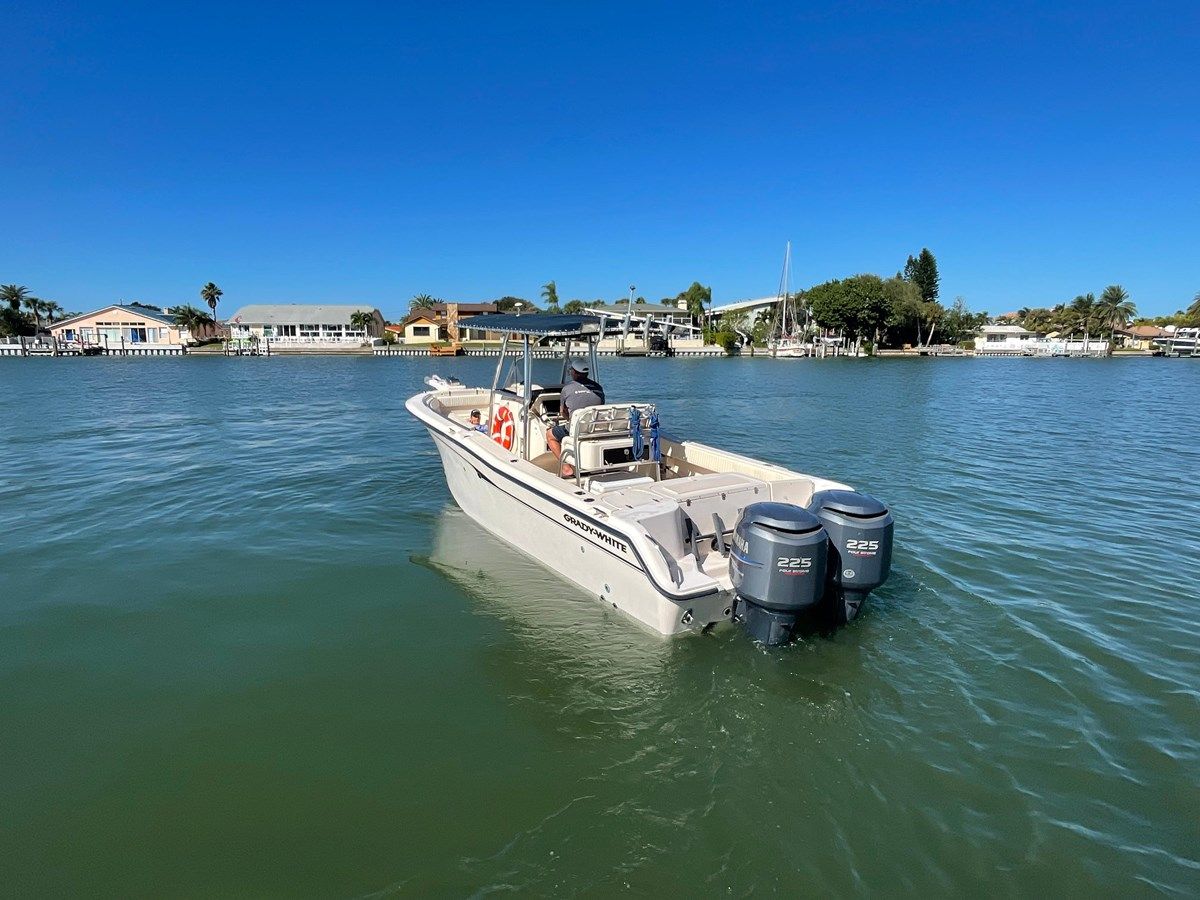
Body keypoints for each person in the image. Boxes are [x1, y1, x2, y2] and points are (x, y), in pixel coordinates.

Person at [546, 359, 605, 476]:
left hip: (575, 430)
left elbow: (562, 412)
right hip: (594, 428)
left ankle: (566, 468)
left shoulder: (567, 389)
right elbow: (600, 408)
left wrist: (570, 420)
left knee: (549, 434)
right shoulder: (598, 388)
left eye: (571, 371)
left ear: (574, 373)